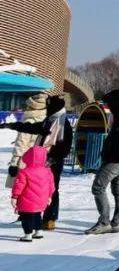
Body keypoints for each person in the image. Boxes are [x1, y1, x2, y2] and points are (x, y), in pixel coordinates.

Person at [0, 95, 72, 230]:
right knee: (33, 188)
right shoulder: (49, 121)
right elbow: (32, 128)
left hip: (53, 163)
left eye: (48, 106)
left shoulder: (62, 124)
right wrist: (10, 125)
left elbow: (65, 147)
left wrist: (52, 159)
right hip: (40, 161)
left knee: (51, 190)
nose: (47, 108)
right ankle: (30, 214)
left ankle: (49, 218)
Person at [86, 89, 119, 234]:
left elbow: (118, 141)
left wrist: (108, 154)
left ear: (116, 102)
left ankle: (104, 222)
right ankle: (116, 222)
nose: (108, 106)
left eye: (109, 103)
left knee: (98, 187)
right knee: (118, 190)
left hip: (115, 160)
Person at [10, 146, 55, 242]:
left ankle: (28, 234)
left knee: (26, 218)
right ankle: (38, 232)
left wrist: (14, 196)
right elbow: (51, 185)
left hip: (27, 201)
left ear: (28, 157)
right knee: (37, 215)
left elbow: (19, 186)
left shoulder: (24, 172)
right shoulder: (47, 171)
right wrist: (50, 196)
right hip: (41, 200)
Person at [6, 93, 46, 189]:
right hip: (41, 161)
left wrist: (14, 164)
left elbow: (21, 144)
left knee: (22, 190)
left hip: (25, 162)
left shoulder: (29, 122)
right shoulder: (47, 121)